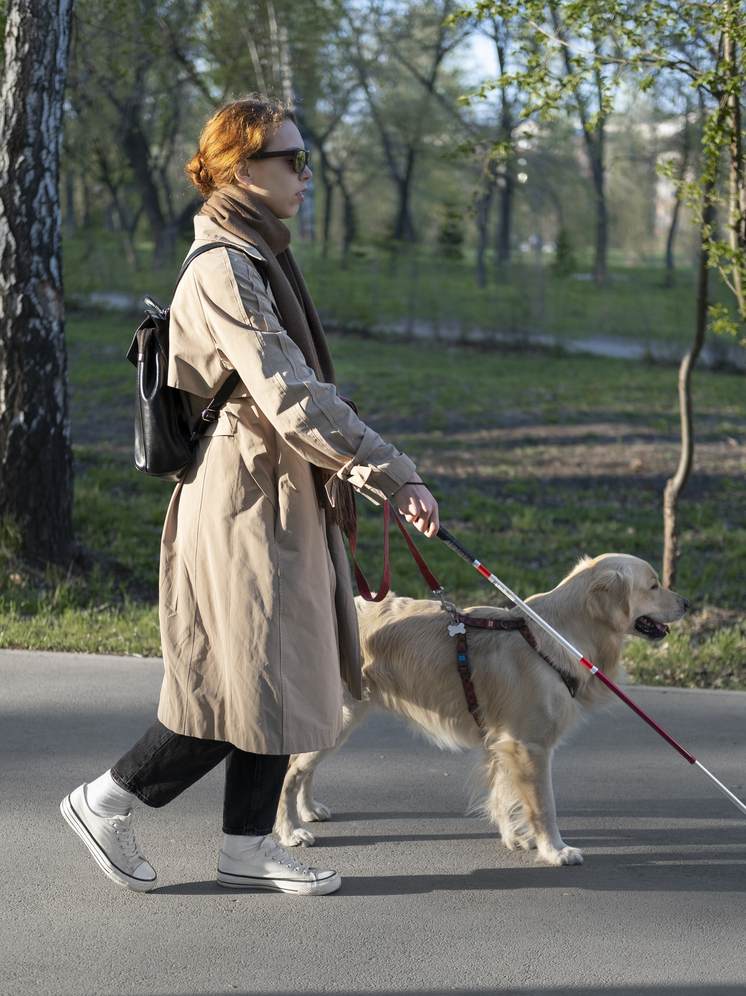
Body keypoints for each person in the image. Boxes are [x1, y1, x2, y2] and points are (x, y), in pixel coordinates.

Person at [60, 96, 439, 897]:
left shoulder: (258, 253)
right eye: (291, 160)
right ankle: (106, 800)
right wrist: (390, 470)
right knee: (237, 685)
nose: (307, 175)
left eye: (307, 159)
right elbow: (289, 393)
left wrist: (372, 471)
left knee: (279, 677)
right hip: (244, 505)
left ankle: (245, 846)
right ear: (238, 170)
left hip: (276, 495)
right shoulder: (225, 266)